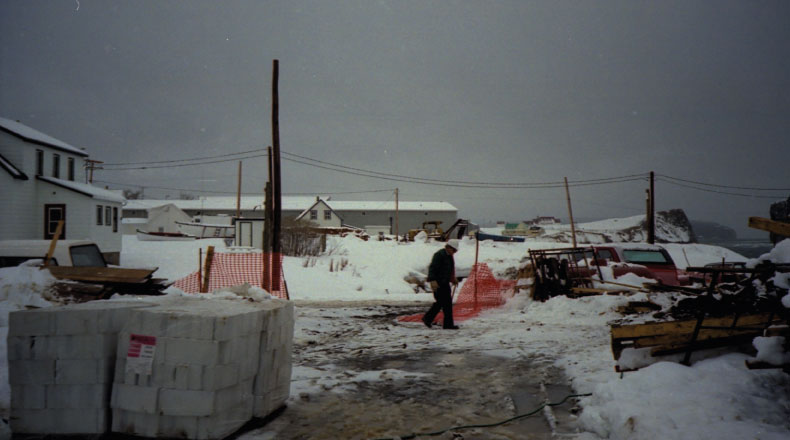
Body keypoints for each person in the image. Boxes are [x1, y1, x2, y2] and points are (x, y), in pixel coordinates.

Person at [422, 239, 460, 329]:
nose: (454, 252)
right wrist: (432, 280)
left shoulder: (449, 256)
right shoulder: (439, 255)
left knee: (445, 304)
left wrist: (453, 278)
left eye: (455, 251)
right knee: (442, 303)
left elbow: (450, 269)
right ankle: (429, 319)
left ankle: (443, 323)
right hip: (438, 283)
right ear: (448, 247)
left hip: (445, 282)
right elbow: (432, 268)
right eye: (453, 250)